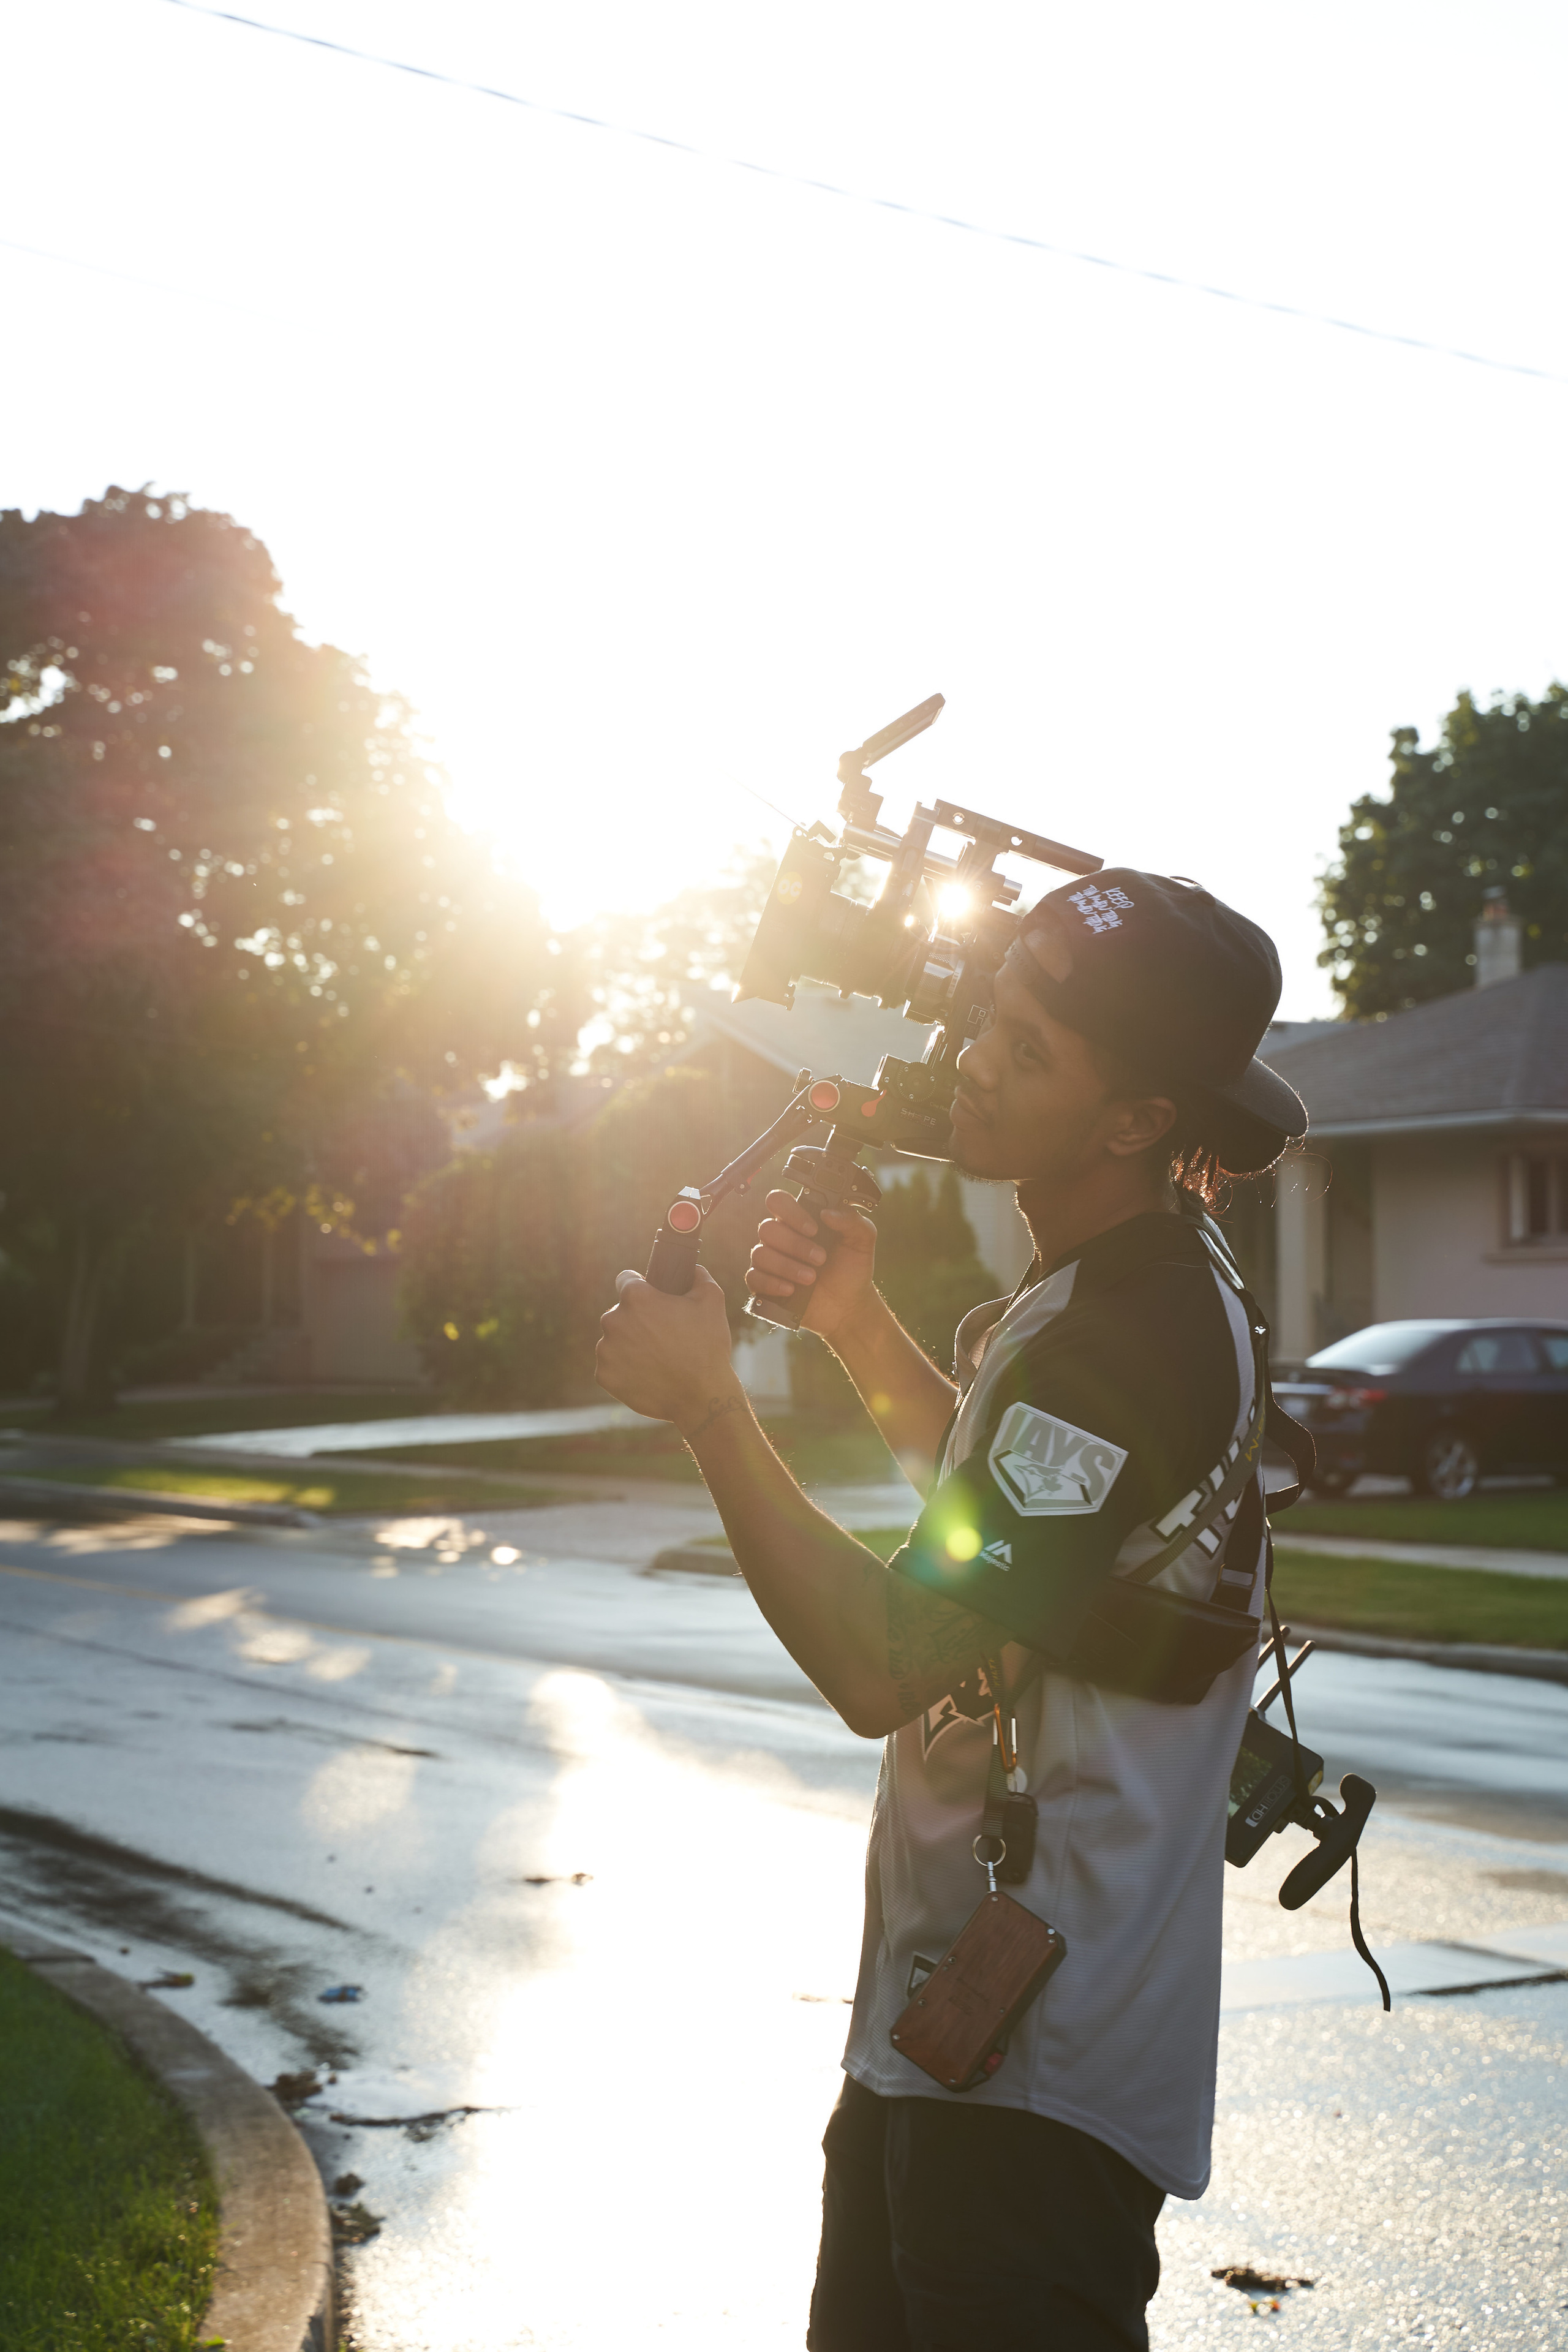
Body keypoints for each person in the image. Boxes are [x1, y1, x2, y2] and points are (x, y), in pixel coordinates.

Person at [595, 869, 1307, 2351]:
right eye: (994, 1018)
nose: (976, 1058)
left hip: (1037, 2079)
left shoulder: (1129, 1331)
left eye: (1030, 1051)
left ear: (1136, 1121)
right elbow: (1009, 1535)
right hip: (950, 2030)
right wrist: (855, 1324)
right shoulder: (1106, 1286)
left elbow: (887, 1660)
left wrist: (710, 1410)